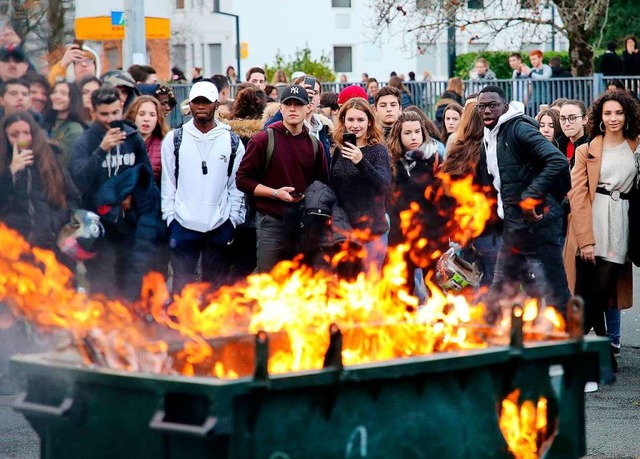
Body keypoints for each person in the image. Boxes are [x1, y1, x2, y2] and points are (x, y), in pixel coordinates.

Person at [478, 85, 571, 313]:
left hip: (541, 221)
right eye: (482, 107)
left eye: (492, 105)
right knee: (501, 287)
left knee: (555, 291)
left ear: (505, 107)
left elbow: (557, 160)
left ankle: (574, 343)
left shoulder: (518, 128)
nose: (487, 111)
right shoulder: (490, 136)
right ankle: (482, 338)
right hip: (515, 225)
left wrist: (532, 196)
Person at [564, 90, 640, 366]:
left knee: (602, 290)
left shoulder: (636, 146)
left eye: (619, 112)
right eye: (608, 113)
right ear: (599, 116)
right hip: (592, 221)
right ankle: (596, 355)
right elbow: (577, 196)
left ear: (628, 114)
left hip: (620, 221)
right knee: (589, 291)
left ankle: (595, 353)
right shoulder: (587, 150)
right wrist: (585, 240)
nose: (613, 118)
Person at [70, 85, 160, 301]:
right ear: (94, 112)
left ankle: (128, 330)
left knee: (130, 283)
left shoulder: (132, 137)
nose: (111, 119)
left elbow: (146, 176)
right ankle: (103, 331)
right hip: (100, 227)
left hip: (130, 224)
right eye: (104, 114)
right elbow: (78, 182)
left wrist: (132, 194)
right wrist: (102, 150)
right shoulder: (86, 140)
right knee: (104, 285)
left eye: (115, 113)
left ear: (121, 108)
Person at [160, 81, 246, 293]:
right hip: (182, 222)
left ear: (216, 104)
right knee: (181, 285)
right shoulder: (174, 139)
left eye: (206, 102)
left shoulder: (232, 141)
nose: (201, 106)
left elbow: (236, 185)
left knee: (214, 287)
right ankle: (178, 322)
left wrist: (232, 220)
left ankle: (211, 324)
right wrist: (170, 217)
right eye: (196, 101)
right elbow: (168, 182)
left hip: (219, 223)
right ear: (189, 105)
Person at [236, 84, 327, 273]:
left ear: (308, 107)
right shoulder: (263, 139)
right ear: (281, 108)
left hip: (303, 222)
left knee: (301, 282)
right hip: (271, 221)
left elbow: (322, 183)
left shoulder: (314, 144)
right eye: (288, 104)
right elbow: (242, 180)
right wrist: (275, 193)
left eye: (298, 104)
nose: (293, 109)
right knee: (268, 281)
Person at [0, 110, 80, 261]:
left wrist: (57, 222)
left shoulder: (49, 157)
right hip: (12, 249)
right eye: (14, 135)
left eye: (26, 133)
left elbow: (72, 196)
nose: (21, 139)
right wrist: (11, 172)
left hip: (50, 248)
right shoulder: (3, 162)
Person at [387, 110, 448, 299]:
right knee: (403, 287)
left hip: (432, 231)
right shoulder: (392, 161)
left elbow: (446, 195)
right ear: (399, 134)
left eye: (416, 132)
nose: (413, 137)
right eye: (407, 133)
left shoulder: (435, 156)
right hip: (401, 232)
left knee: (436, 286)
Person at [441, 100, 502, 287]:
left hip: (465, 230)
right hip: (491, 228)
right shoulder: (492, 149)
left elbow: (447, 195)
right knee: (492, 281)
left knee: (470, 280)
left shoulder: (457, 150)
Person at [330, 97, 392, 276]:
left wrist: (361, 162)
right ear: (343, 121)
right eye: (350, 120)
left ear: (369, 122)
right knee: (346, 284)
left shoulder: (377, 150)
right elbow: (333, 185)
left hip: (372, 230)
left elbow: (384, 185)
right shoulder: (340, 151)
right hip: (344, 230)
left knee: (369, 285)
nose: (355, 125)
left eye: (360, 120)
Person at [125, 95, 170, 187]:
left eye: (152, 115)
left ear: (158, 119)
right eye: (141, 114)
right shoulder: (121, 142)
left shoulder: (165, 145)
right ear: (133, 115)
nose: (146, 119)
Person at [42, 81, 86, 168]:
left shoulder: (74, 129)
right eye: (54, 92)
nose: (57, 96)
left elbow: (65, 160)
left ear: (73, 99)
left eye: (63, 93)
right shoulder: (46, 124)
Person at [557, 99, 589, 167]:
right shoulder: (556, 145)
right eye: (562, 119)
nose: (567, 123)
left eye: (572, 118)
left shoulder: (592, 145)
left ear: (584, 120)